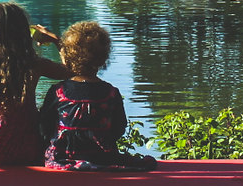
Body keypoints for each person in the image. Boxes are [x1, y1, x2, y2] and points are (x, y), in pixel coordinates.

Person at [0, 2, 67, 165]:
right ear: (22, 33)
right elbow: (73, 71)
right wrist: (56, 40)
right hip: (28, 149)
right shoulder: (32, 65)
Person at [39, 22, 156, 171]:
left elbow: (44, 127)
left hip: (62, 157)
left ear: (67, 58)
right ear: (103, 58)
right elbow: (118, 128)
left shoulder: (58, 91)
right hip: (102, 157)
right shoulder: (111, 93)